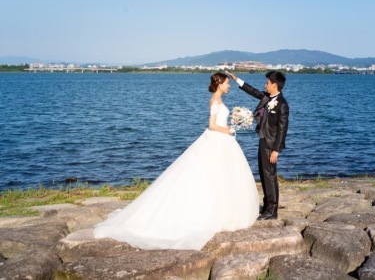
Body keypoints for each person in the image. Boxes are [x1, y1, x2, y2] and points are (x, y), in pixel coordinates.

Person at [93, 72, 258, 249]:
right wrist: (228, 130)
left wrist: (230, 127)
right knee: (213, 174)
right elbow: (211, 125)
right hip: (217, 139)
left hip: (221, 140)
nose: (229, 86)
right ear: (219, 84)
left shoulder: (218, 100)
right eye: (227, 83)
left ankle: (224, 211)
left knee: (220, 175)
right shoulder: (215, 101)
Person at [225, 70, 289, 220]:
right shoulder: (267, 97)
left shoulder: (282, 104)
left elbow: (282, 129)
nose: (265, 84)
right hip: (263, 140)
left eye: (267, 82)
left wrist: (276, 150)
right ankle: (267, 206)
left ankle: (272, 210)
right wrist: (236, 79)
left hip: (271, 144)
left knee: (269, 175)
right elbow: (252, 91)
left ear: (274, 84)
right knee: (264, 174)